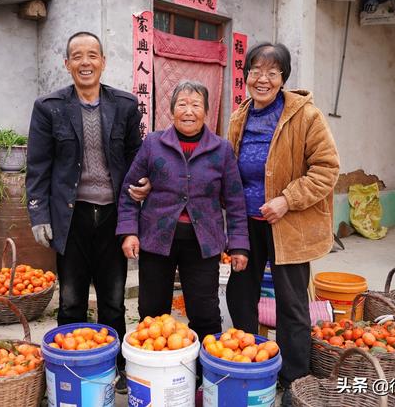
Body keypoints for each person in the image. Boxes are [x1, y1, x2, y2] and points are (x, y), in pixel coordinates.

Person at [25, 31, 150, 393]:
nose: (85, 62)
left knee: (113, 299)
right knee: (71, 299)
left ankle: (116, 367)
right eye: (77, 56)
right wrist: (39, 215)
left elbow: (134, 157)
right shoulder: (49, 107)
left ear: (103, 62)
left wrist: (142, 185)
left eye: (92, 55)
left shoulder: (124, 105)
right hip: (71, 217)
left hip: (114, 215)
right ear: (66, 64)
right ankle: (70, 369)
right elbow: (38, 165)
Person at [225, 42, 339, 406]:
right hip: (247, 223)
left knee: (292, 304)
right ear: (246, 77)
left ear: (283, 78)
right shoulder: (239, 117)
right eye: (256, 71)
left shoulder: (306, 116)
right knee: (240, 295)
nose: (263, 79)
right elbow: (227, 169)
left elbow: (326, 169)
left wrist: (286, 200)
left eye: (272, 72)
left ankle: (294, 380)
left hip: (289, 225)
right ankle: (247, 364)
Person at [116, 80, 249, 352]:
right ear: (172, 110)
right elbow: (130, 190)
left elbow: (235, 200)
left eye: (196, 105)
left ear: (207, 112)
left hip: (204, 244)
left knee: (205, 312)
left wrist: (238, 246)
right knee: (152, 312)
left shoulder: (221, 150)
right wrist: (129, 231)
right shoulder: (153, 144)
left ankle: (203, 373)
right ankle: (152, 367)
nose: (189, 111)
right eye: (182, 104)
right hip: (157, 241)